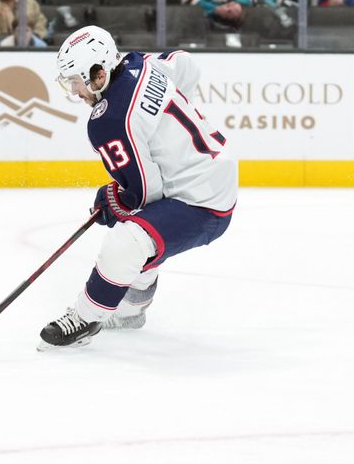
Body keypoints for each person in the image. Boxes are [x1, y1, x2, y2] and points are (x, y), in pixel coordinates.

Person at [39, 25, 236, 349]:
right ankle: (131, 311)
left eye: (76, 81)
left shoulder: (109, 121)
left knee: (127, 240)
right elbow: (185, 64)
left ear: (99, 74)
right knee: (144, 232)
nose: (75, 92)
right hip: (217, 173)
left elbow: (145, 194)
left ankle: (85, 318)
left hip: (203, 204)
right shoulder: (139, 63)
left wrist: (113, 200)